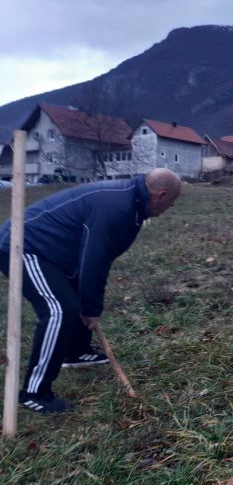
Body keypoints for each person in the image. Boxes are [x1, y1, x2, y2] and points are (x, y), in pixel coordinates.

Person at [0, 168, 182, 413]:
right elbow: (94, 260)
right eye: (172, 202)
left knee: (74, 299)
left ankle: (76, 352)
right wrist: (92, 309)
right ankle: (35, 392)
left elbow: (97, 258)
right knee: (59, 310)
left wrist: (89, 305)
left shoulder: (132, 203)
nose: (171, 207)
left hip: (56, 253)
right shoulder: (118, 208)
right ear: (160, 195)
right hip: (24, 246)